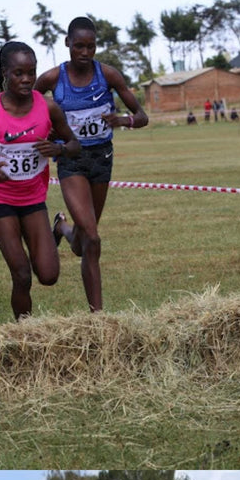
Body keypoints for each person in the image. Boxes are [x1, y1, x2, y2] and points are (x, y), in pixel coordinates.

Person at [0, 41, 80, 321]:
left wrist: (58, 149)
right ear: (5, 73)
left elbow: (74, 144)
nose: (26, 79)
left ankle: (57, 229)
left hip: (33, 199)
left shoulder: (49, 108)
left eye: (31, 72)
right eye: (18, 73)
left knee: (48, 276)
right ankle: (23, 334)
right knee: (22, 274)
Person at [36, 16, 148, 313]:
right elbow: (27, 107)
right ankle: (98, 318)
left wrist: (123, 120)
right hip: (71, 160)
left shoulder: (108, 75)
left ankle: (61, 227)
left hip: (102, 159)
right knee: (94, 238)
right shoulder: (51, 79)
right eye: (79, 46)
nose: (85, 52)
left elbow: (142, 115)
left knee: (84, 241)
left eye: (91, 46)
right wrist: (45, 136)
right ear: (67, 44)